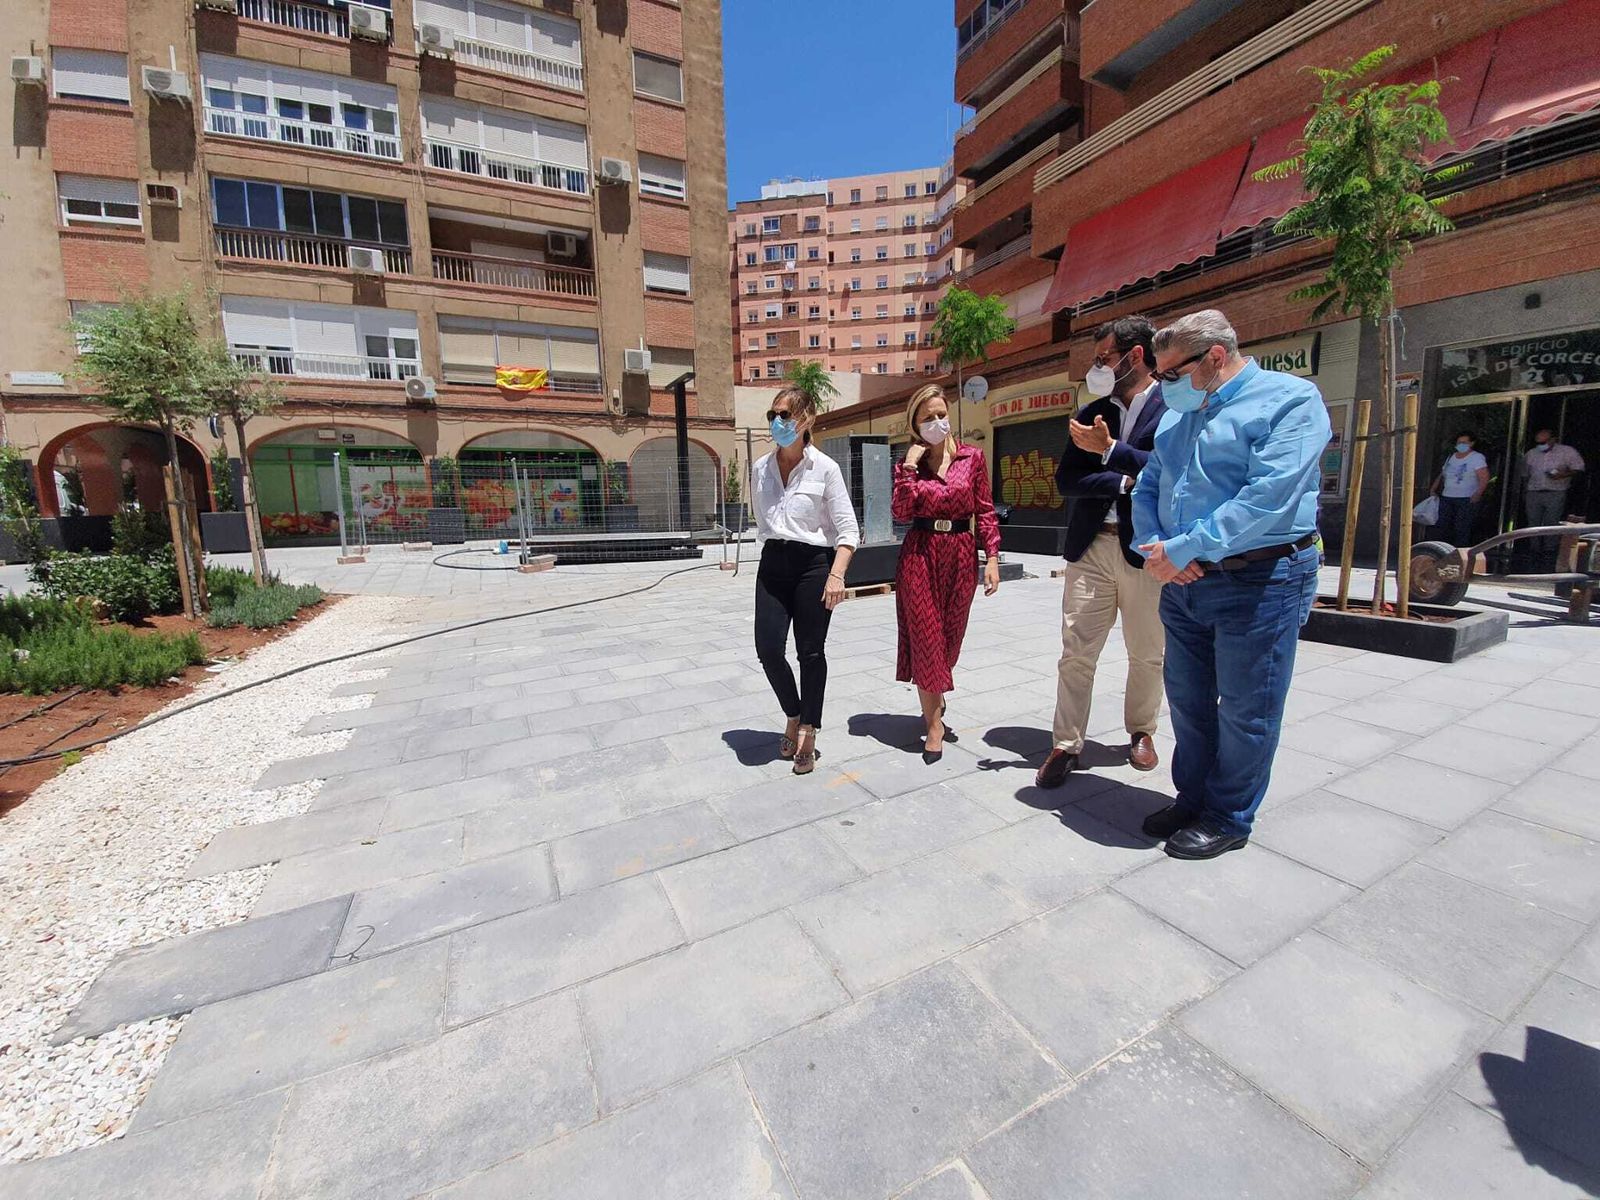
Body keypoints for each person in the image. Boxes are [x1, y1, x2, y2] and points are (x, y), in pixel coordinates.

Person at [1132, 309, 1330, 860]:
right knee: (1188, 702)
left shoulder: (1290, 401)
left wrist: (1185, 547)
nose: (1162, 385)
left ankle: (1229, 816)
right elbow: (1146, 487)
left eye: (1171, 373)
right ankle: (1193, 798)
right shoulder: (1179, 415)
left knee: (1247, 709)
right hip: (1183, 582)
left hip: (1261, 578)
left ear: (1215, 357)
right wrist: (1156, 547)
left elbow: (1269, 497)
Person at [1037, 316, 1167, 788]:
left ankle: (1142, 731)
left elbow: (1170, 471)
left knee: (1147, 652)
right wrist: (1124, 482)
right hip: (1091, 546)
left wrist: (1111, 451)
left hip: (1147, 551)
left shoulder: (1173, 408)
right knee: (1076, 651)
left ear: (1135, 355)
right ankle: (1066, 743)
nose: (1099, 367)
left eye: (1104, 358)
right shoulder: (1093, 411)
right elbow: (1068, 480)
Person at [751, 386, 859, 775]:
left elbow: (848, 530)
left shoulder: (825, 469)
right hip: (773, 562)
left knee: (810, 652)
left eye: (785, 415)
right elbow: (763, 522)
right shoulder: (760, 468)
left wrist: (836, 575)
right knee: (767, 648)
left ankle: (809, 730)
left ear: (807, 419)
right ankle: (793, 713)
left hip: (814, 565)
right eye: (773, 415)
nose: (777, 422)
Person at [893, 383, 1002, 763]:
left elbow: (985, 510)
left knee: (949, 642)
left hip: (960, 553)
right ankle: (934, 724)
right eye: (929, 417)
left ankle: (934, 695)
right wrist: (910, 467)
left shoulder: (972, 458)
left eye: (942, 415)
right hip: (919, 554)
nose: (938, 422)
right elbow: (901, 513)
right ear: (915, 424)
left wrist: (991, 558)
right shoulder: (908, 466)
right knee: (926, 640)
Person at [1520, 428, 1585, 570]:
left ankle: (1549, 552)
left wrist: (1563, 474)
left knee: (1552, 522)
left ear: (1553, 440)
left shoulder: (1567, 452)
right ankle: (1534, 550)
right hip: (1534, 492)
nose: (1540, 445)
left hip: (1556, 492)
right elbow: (1525, 474)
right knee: (1533, 522)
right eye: (1538, 443)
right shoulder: (1531, 454)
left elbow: (1579, 469)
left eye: (1543, 442)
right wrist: (1525, 491)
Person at [1428, 431, 1489, 549]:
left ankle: (1461, 552)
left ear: (1472, 443)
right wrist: (1433, 488)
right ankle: (1444, 551)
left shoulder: (1477, 457)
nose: (1461, 445)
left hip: (1466, 498)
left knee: (1462, 527)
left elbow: (1484, 477)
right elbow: (1442, 474)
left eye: (1464, 442)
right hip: (1447, 497)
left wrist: (1478, 493)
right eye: (1459, 442)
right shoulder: (1451, 457)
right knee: (1443, 525)